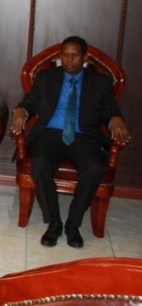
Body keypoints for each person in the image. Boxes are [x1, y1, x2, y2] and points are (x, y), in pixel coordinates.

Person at [10, 36, 131, 248]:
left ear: (85, 57)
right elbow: (30, 102)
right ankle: (54, 222)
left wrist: (116, 120)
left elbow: (109, 109)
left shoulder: (100, 82)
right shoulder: (46, 77)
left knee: (95, 168)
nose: (69, 59)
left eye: (74, 55)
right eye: (65, 55)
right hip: (50, 135)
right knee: (40, 163)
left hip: (84, 137)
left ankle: (73, 224)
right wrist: (20, 111)